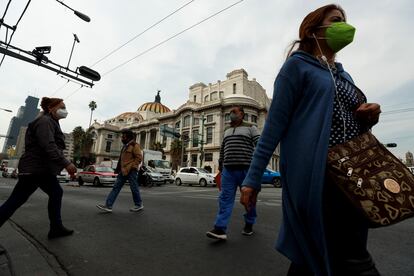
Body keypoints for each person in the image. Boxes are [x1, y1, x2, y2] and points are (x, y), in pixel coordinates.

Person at [240, 4, 382, 276]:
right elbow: (273, 128)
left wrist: (368, 116)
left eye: (345, 20)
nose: (345, 26)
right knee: (353, 256)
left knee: (316, 255)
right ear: (313, 29)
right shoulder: (296, 67)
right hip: (320, 172)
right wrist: (252, 179)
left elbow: (347, 119)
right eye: (336, 20)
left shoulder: (344, 75)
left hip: (353, 171)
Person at [0, 97, 77, 239]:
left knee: (54, 193)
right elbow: (48, 145)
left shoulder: (50, 122)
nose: (65, 111)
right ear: (50, 108)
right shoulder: (45, 122)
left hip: (40, 169)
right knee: (16, 200)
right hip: (36, 169)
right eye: (62, 107)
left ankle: (56, 228)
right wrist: (66, 163)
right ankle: (56, 228)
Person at [206, 105, 260, 240]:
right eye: (230, 113)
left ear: (242, 114)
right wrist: (220, 165)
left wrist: (257, 168)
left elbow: (260, 145)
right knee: (224, 199)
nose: (231, 114)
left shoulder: (251, 128)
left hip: (246, 170)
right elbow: (223, 148)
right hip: (228, 171)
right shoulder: (226, 130)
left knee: (249, 200)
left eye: (234, 112)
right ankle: (220, 228)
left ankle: (249, 222)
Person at [96, 130, 144, 213]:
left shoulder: (134, 145)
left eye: (123, 136)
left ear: (128, 137)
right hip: (123, 170)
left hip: (131, 170)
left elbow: (139, 158)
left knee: (134, 188)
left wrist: (132, 167)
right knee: (116, 187)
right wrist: (118, 169)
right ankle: (108, 205)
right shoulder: (125, 146)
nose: (122, 138)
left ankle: (138, 204)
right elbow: (122, 159)